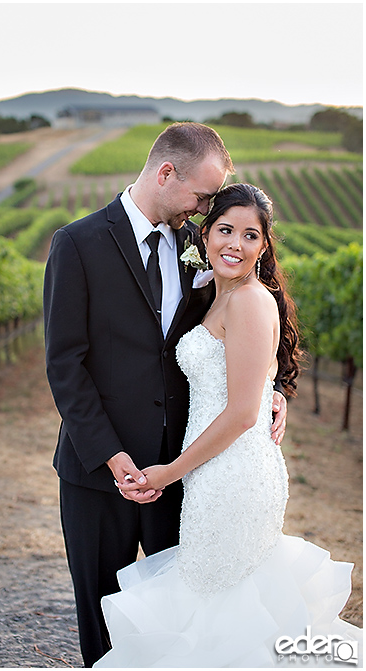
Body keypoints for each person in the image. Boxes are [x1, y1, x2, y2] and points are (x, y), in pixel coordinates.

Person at [42, 123, 288, 666]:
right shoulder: (77, 243)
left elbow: (230, 342)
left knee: (179, 628)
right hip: (97, 477)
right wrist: (111, 455)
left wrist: (271, 391)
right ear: (166, 172)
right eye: (201, 197)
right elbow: (65, 365)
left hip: (184, 476)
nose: (206, 212)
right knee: (105, 626)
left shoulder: (195, 247)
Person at [96, 183, 361, 666]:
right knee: (210, 602)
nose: (234, 244)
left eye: (250, 235)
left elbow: (241, 413)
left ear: (264, 246)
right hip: (213, 475)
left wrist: (168, 471)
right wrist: (274, 392)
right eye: (225, 230)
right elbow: (247, 376)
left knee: (224, 608)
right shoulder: (214, 295)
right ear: (204, 233)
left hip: (235, 478)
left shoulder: (250, 301)